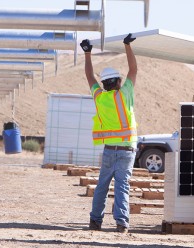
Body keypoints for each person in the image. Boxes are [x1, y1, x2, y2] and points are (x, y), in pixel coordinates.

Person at [80, 33, 138, 233]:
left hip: (108, 150)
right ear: (118, 82)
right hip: (127, 150)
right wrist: (127, 46)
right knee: (122, 186)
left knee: (102, 186)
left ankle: (95, 222)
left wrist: (87, 53)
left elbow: (89, 76)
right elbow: (134, 70)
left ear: (104, 84)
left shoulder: (100, 98)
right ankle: (121, 224)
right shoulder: (125, 94)